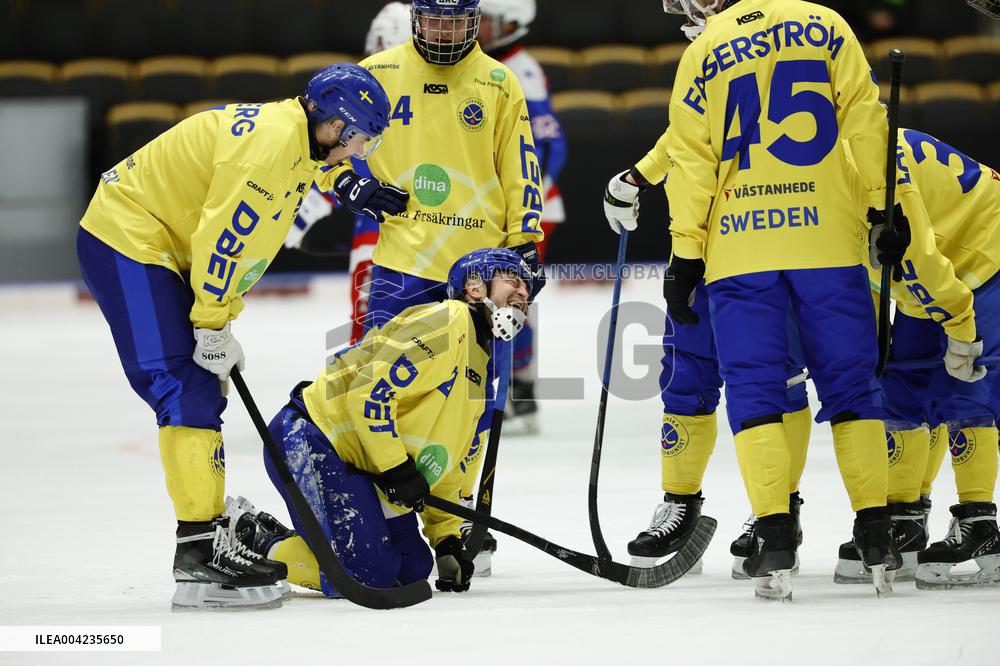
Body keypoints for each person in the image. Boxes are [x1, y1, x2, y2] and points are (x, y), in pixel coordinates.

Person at [77, 63, 407, 609]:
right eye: (358, 140)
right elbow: (224, 244)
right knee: (185, 388)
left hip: (158, 242)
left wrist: (347, 180)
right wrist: (212, 324)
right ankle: (199, 553)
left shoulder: (293, 131)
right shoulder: (270, 152)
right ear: (332, 123)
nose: (360, 149)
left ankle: (206, 532)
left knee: (202, 390)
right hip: (127, 239)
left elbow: (309, 167)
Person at [657, 0, 912, 600]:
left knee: (756, 390)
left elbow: (692, 161)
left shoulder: (703, 48)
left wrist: (685, 251)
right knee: (853, 387)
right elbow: (866, 122)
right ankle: (876, 530)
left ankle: (774, 533)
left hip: (739, 245)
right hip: (827, 237)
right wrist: (883, 204)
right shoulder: (823, 21)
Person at [357, 0, 547, 576]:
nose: (444, 32)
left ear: (474, 21)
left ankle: (462, 520)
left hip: (477, 275)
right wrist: (351, 183)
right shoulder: (379, 73)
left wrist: (525, 243)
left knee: (471, 406)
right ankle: (378, 516)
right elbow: (330, 147)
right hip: (401, 264)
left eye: (456, 21)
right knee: (379, 392)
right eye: (434, 19)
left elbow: (522, 166)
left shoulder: (497, 81)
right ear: (416, 18)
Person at [255, 249, 532, 595]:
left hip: (362, 465)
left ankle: (317, 542)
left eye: (527, 292)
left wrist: (445, 539)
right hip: (311, 437)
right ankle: (257, 541)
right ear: (475, 288)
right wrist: (397, 469)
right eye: (514, 282)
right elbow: (369, 393)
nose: (523, 295)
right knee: (370, 576)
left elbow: (444, 460)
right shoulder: (447, 322)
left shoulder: (477, 364)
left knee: (414, 568)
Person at [605, 125, 812, 578]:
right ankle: (680, 503)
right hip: (701, 255)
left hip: (773, 252)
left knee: (777, 381)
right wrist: (636, 178)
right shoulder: (707, 77)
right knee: (685, 377)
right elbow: (683, 136)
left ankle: (779, 510)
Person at [833, 129, 999, 588]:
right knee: (899, 380)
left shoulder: (863, 161)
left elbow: (919, 255)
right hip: (933, 257)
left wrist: (961, 329)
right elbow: (862, 261)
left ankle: (980, 523)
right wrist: (873, 338)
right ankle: (905, 518)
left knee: (965, 382)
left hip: (983, 247)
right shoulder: (822, 165)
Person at [478, 0, 568, 434]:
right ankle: (515, 388)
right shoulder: (496, 65)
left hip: (525, 211)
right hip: (505, 206)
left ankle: (518, 392)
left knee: (511, 293)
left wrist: (522, 204)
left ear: (512, 23)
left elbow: (552, 143)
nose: (479, 26)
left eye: (488, 20)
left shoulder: (520, 69)